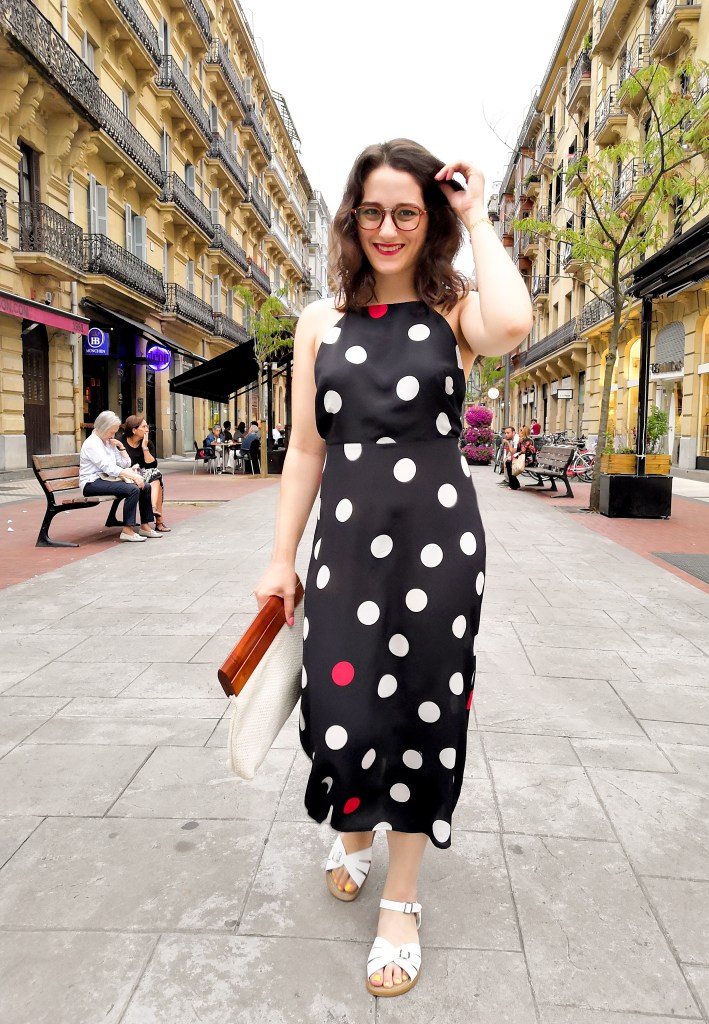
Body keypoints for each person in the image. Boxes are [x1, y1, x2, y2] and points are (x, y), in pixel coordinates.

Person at [253, 139, 532, 997]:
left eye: (406, 211)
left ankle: (401, 899)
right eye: (371, 211)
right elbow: (305, 451)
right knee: (340, 708)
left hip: (439, 549)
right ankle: (354, 825)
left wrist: (479, 215)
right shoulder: (318, 323)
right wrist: (279, 559)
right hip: (343, 549)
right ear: (351, 219)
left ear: (430, 220)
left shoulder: (457, 314)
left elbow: (516, 321)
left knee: (420, 711)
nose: (387, 228)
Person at [79, 410, 161, 542]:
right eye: (111, 432)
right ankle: (127, 530)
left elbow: (124, 463)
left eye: (115, 432)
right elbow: (108, 467)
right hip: (91, 483)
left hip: (106, 479)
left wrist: (121, 447)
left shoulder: (107, 441)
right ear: (103, 428)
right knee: (133, 489)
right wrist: (134, 477)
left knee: (145, 486)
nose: (113, 435)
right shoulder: (92, 444)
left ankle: (145, 526)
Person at [121, 414, 171, 531]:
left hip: (144, 475)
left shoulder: (148, 443)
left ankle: (153, 508)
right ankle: (158, 520)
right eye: (144, 427)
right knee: (157, 478)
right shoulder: (121, 442)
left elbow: (152, 465)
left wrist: (144, 447)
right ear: (134, 430)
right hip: (127, 475)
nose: (147, 430)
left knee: (156, 476)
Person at [506, 425, 537, 490]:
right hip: (523, 459)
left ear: (524, 432)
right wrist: (512, 456)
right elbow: (517, 450)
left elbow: (523, 451)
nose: (519, 432)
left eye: (521, 430)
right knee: (508, 462)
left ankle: (514, 485)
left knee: (509, 463)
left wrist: (514, 456)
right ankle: (514, 484)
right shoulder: (521, 440)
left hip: (529, 461)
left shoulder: (527, 440)